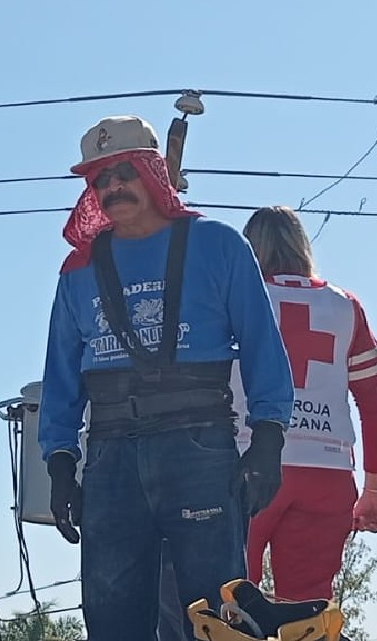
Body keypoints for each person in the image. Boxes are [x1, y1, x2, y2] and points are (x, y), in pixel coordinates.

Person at [37, 115, 295, 641]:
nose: (111, 187)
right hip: (110, 456)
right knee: (110, 616)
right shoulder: (77, 270)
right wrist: (61, 464)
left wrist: (269, 438)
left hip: (198, 446)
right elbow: (61, 375)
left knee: (218, 615)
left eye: (123, 172)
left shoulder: (219, 246)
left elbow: (264, 346)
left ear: (155, 172)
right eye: (99, 179)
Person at [232, 206, 377, 602]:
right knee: (307, 607)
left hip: (245, 464)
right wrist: (375, 489)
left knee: (232, 599)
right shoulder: (345, 306)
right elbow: (375, 405)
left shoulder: (235, 300)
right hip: (327, 471)